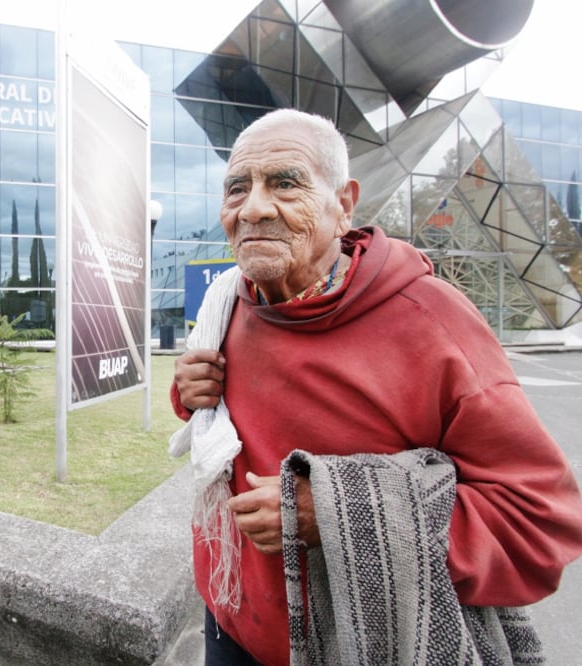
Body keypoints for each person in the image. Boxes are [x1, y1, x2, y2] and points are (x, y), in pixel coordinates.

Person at [169, 108, 582, 665]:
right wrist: (187, 390)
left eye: (285, 183)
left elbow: (539, 522)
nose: (254, 208)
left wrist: (337, 516)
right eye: (237, 187)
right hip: (227, 617)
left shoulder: (432, 323)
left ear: (343, 204)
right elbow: (219, 421)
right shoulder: (229, 300)